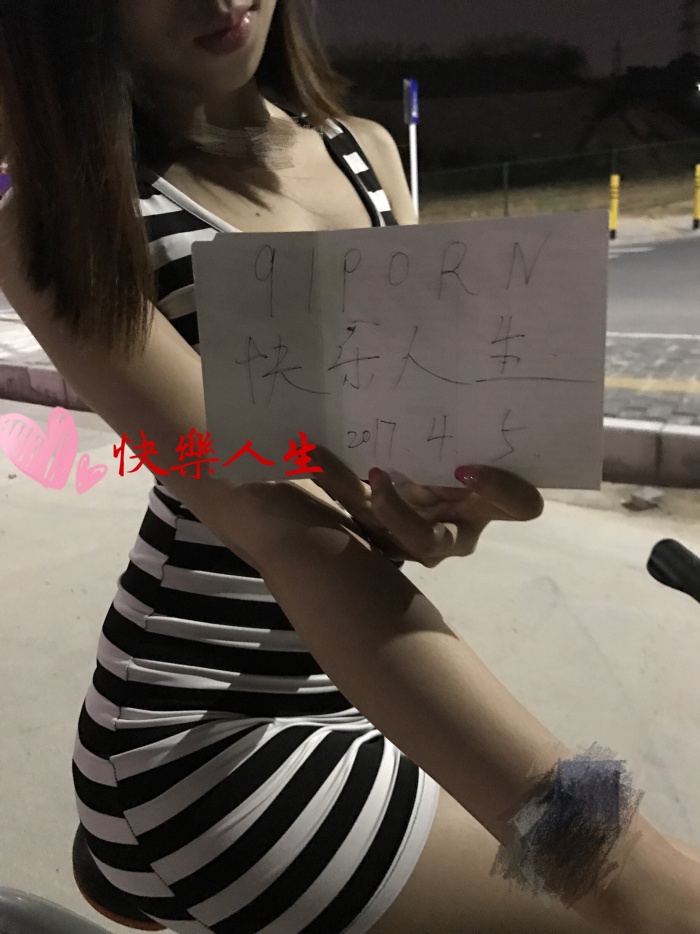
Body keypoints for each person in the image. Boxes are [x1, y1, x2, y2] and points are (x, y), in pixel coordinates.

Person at [0, 3, 699, 933]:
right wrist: (609, 856)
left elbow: (384, 482)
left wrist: (433, 507)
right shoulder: (68, 215)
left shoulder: (364, 151)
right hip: (203, 737)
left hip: (358, 691)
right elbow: (284, 527)